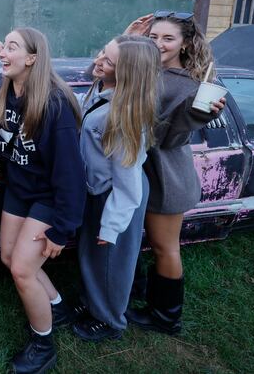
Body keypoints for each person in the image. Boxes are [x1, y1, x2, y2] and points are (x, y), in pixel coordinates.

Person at [0, 27, 86, 374]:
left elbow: (70, 176)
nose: (2, 53)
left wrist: (61, 230)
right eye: (3, 46)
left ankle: (43, 345)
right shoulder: (6, 92)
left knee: (23, 270)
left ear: (32, 58)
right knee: (10, 257)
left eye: (11, 47)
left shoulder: (55, 105)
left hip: (48, 197)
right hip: (19, 190)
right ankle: (58, 306)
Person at [123, 12, 225, 335]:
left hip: (166, 178)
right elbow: (107, 67)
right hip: (143, 173)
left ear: (184, 44)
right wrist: (129, 35)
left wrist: (197, 115)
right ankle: (138, 292)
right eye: (153, 37)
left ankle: (166, 317)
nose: (158, 44)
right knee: (141, 241)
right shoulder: (149, 69)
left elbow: (169, 137)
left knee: (164, 246)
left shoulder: (189, 86)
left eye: (168, 39)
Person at [71, 35, 160, 342]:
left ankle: (110, 320)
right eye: (101, 53)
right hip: (98, 188)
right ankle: (92, 303)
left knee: (110, 260)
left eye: (108, 61)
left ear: (127, 73)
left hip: (116, 196)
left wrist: (111, 227)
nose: (98, 61)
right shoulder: (106, 88)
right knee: (92, 257)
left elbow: (129, 185)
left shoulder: (122, 117)